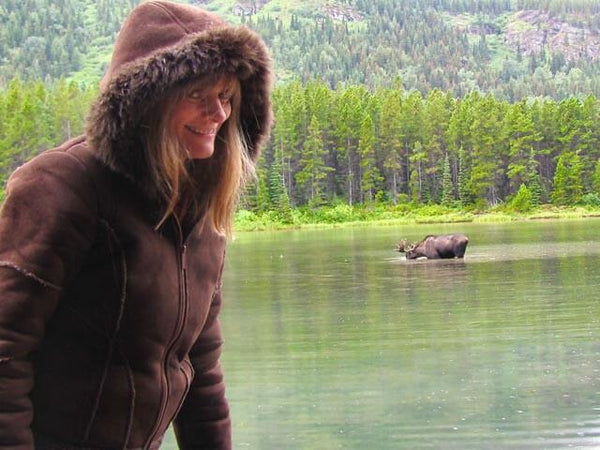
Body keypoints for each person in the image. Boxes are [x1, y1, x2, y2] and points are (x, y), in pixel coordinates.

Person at [0, 0, 272, 448]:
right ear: (145, 101)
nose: (219, 115)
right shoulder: (62, 186)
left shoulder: (200, 214)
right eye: (197, 95)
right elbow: (6, 352)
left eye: (225, 97)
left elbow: (200, 369)